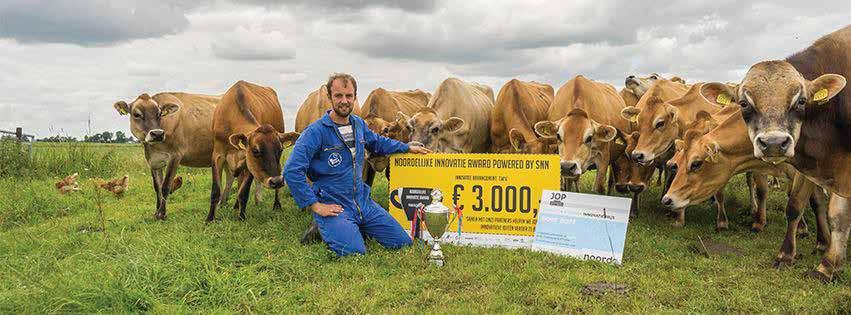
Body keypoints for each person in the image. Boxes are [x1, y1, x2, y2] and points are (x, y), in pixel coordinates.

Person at [284, 73, 431, 257]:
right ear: (329, 97)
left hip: (363, 202)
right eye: (338, 96)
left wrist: (406, 147)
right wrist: (315, 205)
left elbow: (377, 142)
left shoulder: (358, 124)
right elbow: (291, 170)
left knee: (402, 243)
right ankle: (324, 227)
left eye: (349, 96)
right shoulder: (315, 132)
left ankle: (351, 226)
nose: (344, 101)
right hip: (334, 204)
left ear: (354, 97)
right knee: (355, 252)